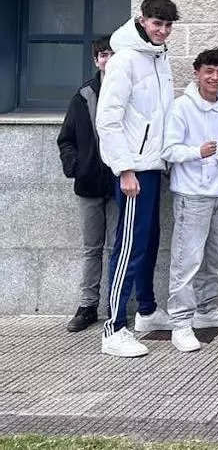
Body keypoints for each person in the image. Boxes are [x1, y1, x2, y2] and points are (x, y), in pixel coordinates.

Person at [96, 0, 179, 358]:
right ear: (142, 20)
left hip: (153, 165)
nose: (162, 31)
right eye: (157, 23)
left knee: (148, 240)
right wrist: (125, 169)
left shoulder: (159, 57)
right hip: (134, 169)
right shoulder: (124, 59)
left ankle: (146, 310)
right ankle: (113, 329)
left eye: (168, 25)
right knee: (129, 246)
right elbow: (108, 120)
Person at [161, 48, 218, 352]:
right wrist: (197, 152)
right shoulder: (181, 107)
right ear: (197, 73)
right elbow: (168, 150)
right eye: (209, 71)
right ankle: (181, 323)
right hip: (191, 193)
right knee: (187, 259)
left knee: (214, 256)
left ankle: (206, 308)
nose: (215, 77)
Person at [57, 36, 118, 333]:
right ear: (96, 60)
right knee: (92, 248)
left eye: (112, 54)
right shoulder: (83, 96)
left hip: (120, 184)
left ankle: (117, 306)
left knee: (119, 247)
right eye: (103, 55)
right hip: (89, 184)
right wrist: (76, 167)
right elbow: (66, 139)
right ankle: (87, 306)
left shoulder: (128, 93)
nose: (108, 60)